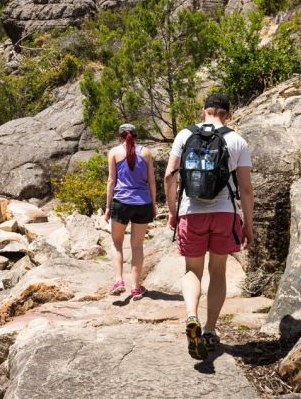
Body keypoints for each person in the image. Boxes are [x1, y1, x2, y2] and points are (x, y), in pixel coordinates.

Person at [164, 93, 254, 360]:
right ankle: (211, 330)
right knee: (218, 270)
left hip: (191, 212)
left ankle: (192, 315)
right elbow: (246, 189)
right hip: (224, 213)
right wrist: (247, 224)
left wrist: (172, 211)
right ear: (228, 114)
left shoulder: (184, 135)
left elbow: (169, 176)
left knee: (192, 270)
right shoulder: (236, 140)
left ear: (204, 111)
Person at [104, 123, 157, 300]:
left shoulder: (114, 153)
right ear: (135, 136)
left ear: (120, 136)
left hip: (121, 202)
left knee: (117, 243)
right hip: (143, 203)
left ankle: (119, 281)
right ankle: (135, 287)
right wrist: (154, 204)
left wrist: (107, 207)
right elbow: (151, 182)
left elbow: (112, 181)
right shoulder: (147, 153)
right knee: (137, 245)